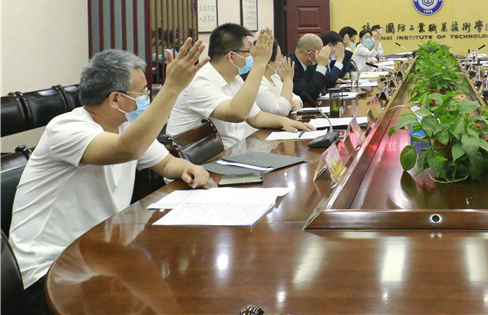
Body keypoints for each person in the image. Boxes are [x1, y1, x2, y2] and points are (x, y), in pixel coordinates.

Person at [10, 41, 211, 314]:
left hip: (97, 257)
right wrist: (172, 88)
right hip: (48, 271)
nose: (146, 99)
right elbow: (127, 149)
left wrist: (186, 168)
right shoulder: (66, 128)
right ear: (116, 99)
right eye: (142, 93)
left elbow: (165, 162)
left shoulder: (126, 125)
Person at [166, 24, 312, 147]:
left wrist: (285, 122)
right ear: (231, 56)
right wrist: (260, 63)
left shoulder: (235, 79)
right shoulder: (199, 82)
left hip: (232, 152)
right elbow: (238, 113)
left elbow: (256, 116)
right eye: (248, 53)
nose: (251, 57)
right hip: (199, 163)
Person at [255, 42, 303, 116]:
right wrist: (288, 80)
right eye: (280, 57)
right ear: (268, 62)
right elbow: (281, 111)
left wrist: (294, 104)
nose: (282, 60)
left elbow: (297, 98)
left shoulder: (274, 76)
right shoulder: (259, 84)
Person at [286, 32, 332, 105]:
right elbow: (308, 94)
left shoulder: (309, 63)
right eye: (320, 53)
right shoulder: (290, 66)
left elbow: (322, 85)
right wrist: (321, 66)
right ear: (310, 54)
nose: (320, 57)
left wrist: (319, 91)